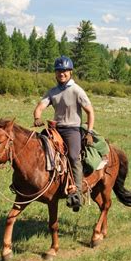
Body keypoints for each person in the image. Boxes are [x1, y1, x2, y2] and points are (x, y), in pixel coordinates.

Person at [33, 56, 95, 212]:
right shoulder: (52, 92)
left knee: (74, 157)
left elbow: (90, 111)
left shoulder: (76, 90)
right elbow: (40, 106)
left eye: (65, 71)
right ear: (55, 73)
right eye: (59, 71)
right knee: (38, 148)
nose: (62, 73)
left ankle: (77, 194)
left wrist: (88, 131)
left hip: (72, 129)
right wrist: (37, 117)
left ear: (70, 72)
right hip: (55, 128)